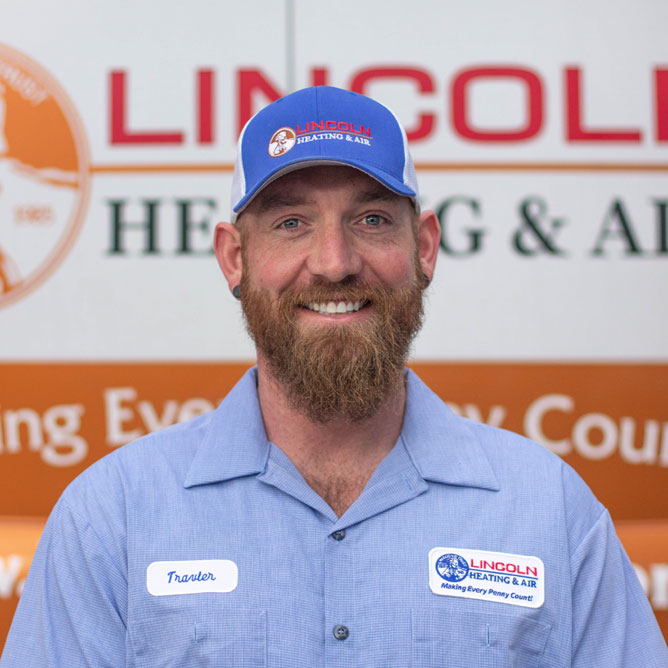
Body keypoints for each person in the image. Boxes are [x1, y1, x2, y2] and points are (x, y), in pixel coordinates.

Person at [2, 86, 666, 667]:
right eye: (292, 223)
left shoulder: (548, 510)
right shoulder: (112, 518)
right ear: (234, 258)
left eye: (371, 219)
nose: (334, 262)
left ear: (424, 246)